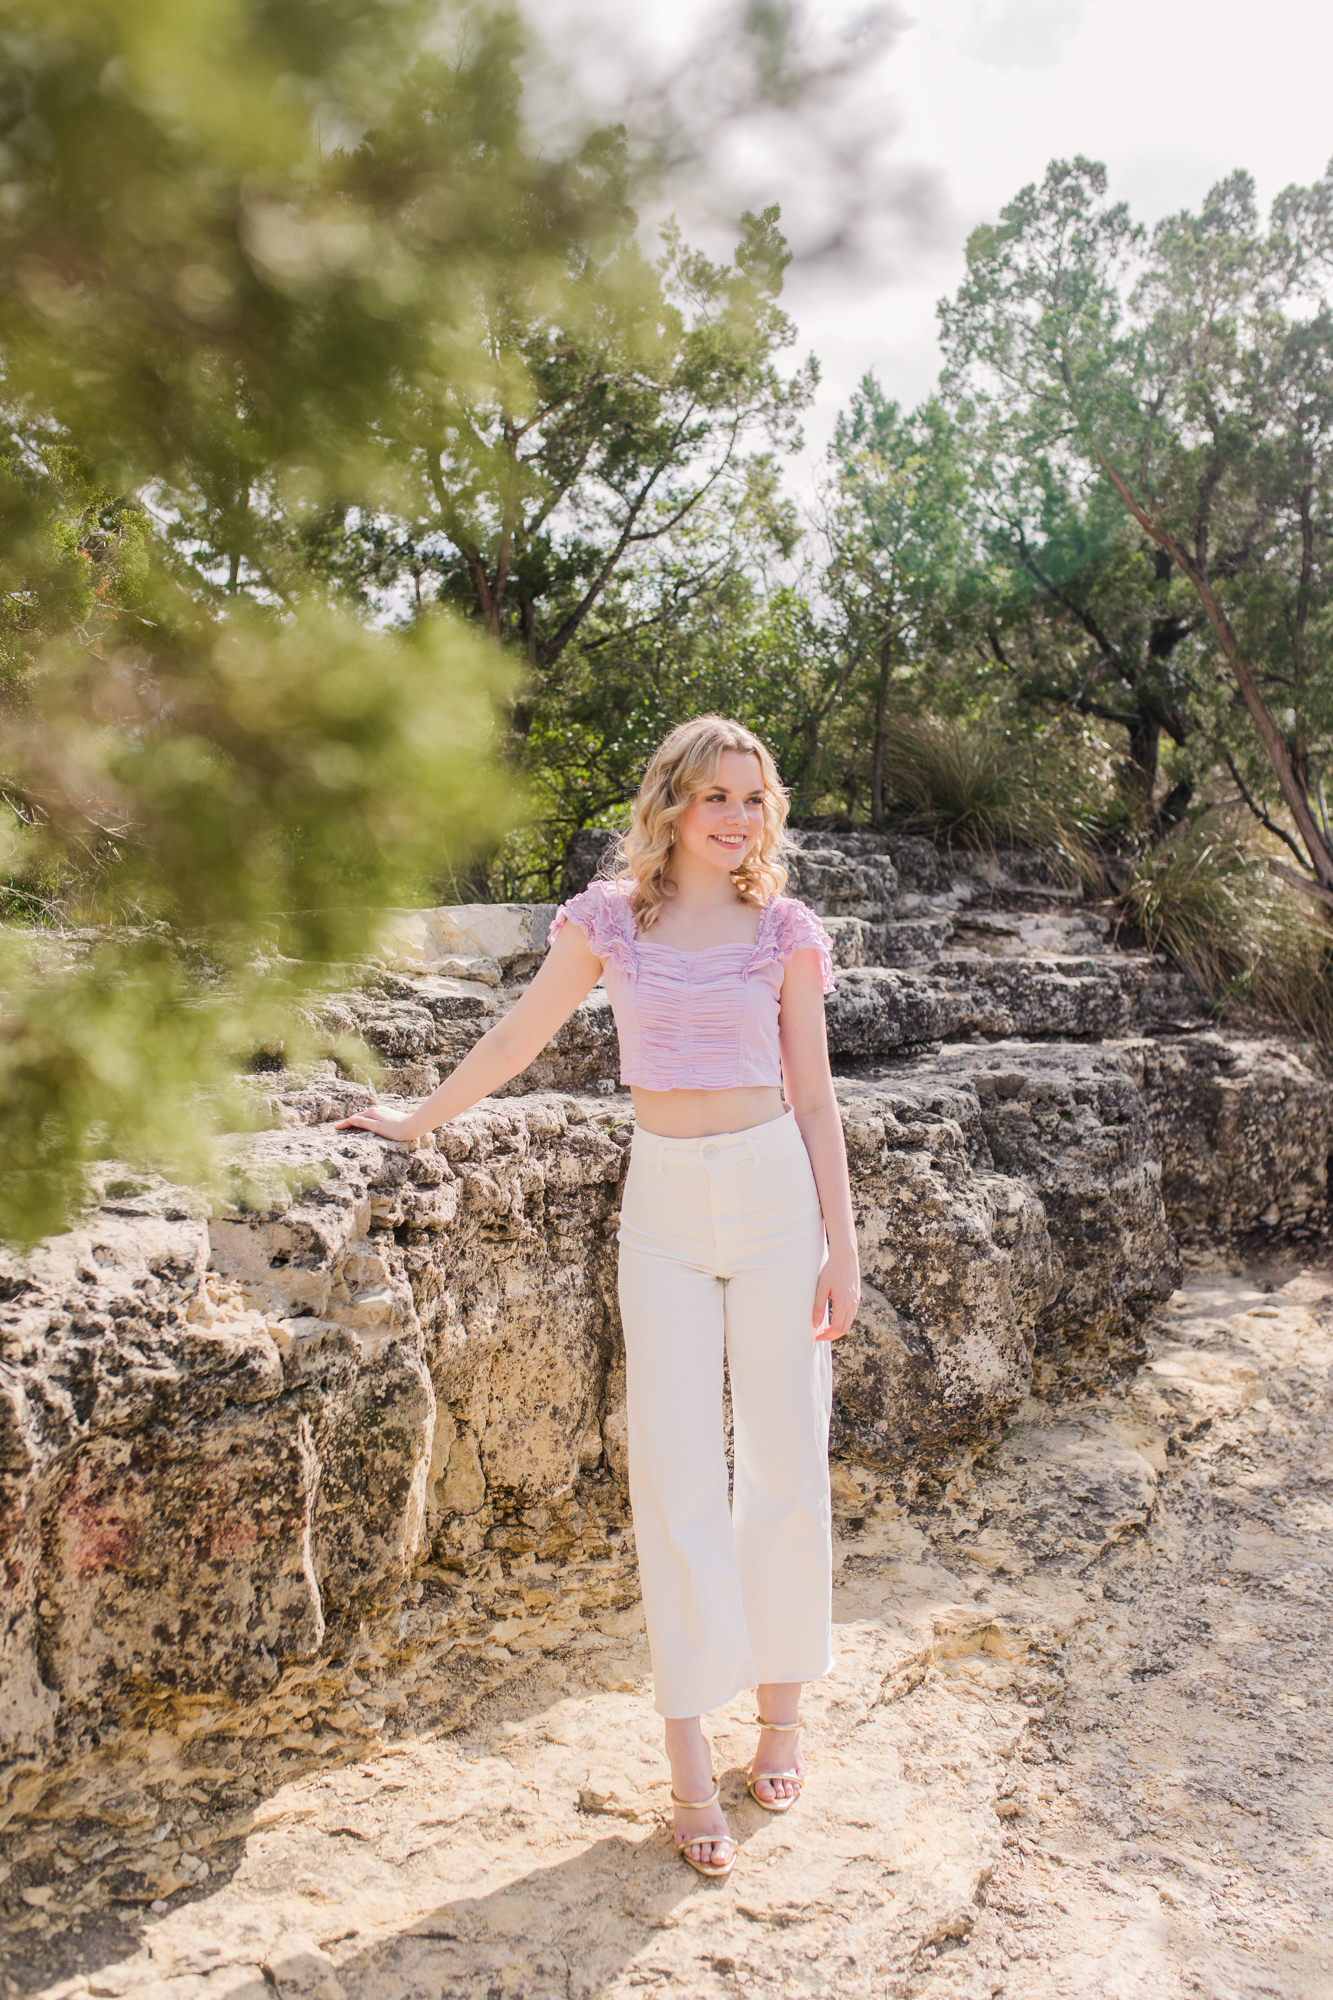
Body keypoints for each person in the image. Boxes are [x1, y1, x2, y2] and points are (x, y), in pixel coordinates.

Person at [338, 716, 861, 1880]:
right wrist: (415, 1118)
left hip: (777, 1196)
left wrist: (843, 1244)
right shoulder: (606, 918)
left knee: (782, 1460)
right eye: (716, 795)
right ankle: (687, 1758)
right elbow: (520, 1035)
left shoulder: (785, 929)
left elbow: (817, 1098)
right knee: (674, 1473)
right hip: (664, 1203)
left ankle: (779, 1719)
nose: (737, 816)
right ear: (672, 801)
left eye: (754, 798)